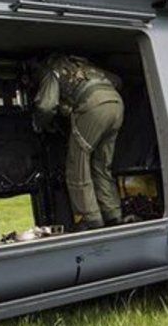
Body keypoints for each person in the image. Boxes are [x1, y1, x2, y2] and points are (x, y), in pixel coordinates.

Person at [32, 54, 125, 231]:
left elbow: (46, 106)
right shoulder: (87, 67)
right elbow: (117, 81)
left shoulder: (52, 71)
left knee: (78, 164)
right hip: (116, 105)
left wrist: (40, 124)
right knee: (102, 165)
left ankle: (89, 218)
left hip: (93, 106)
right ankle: (113, 214)